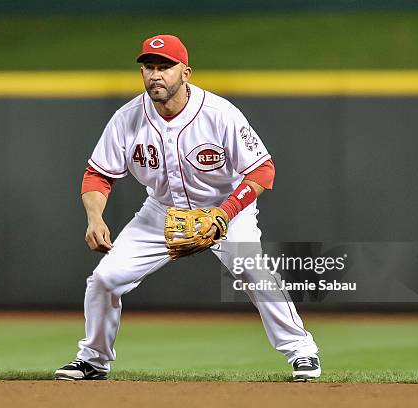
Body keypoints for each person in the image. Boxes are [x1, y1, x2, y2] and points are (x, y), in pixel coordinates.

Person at [55, 34, 320, 381]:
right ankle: (93, 360)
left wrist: (225, 214)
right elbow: (98, 175)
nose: (155, 75)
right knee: (105, 279)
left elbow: (262, 170)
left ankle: (302, 352)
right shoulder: (127, 118)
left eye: (165, 67)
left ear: (186, 73)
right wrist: (94, 218)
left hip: (224, 208)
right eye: (149, 67)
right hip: (161, 211)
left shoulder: (219, 113)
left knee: (253, 270)